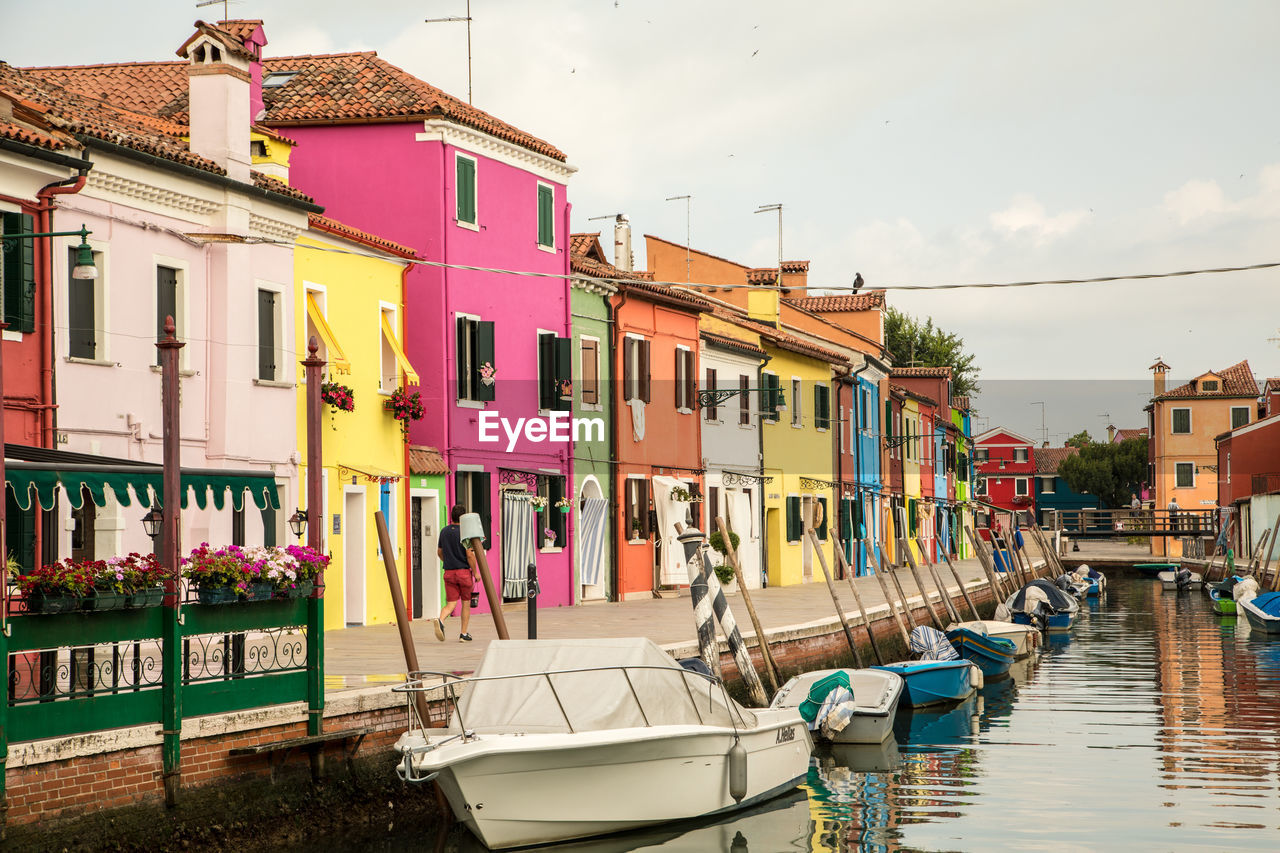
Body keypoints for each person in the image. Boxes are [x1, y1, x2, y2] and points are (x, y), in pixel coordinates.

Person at [434, 504, 480, 642]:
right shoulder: (465, 532)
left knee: (451, 604)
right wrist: (476, 573)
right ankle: (463, 634)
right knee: (466, 603)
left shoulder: (444, 531)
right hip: (463, 573)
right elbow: (470, 555)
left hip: (449, 572)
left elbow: (439, 552)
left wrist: (448, 561)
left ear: (451, 516)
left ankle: (441, 620)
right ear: (464, 517)